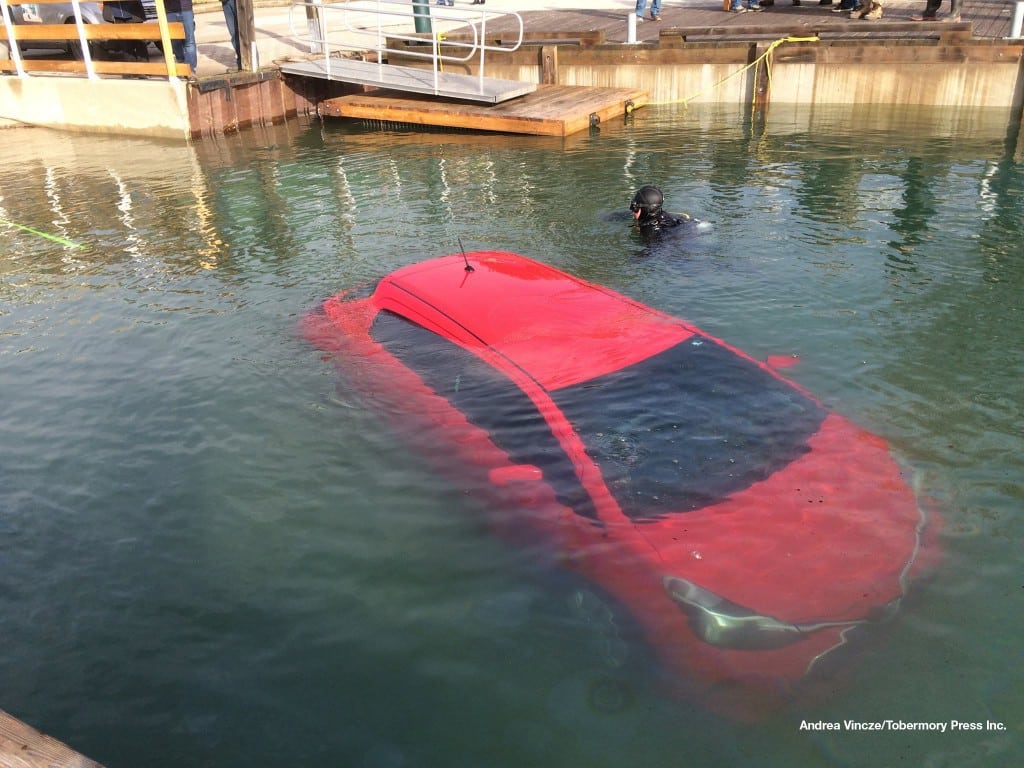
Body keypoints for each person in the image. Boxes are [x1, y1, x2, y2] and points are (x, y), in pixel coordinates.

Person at [629, 186, 705, 238]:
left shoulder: (649, 231)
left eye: (634, 208)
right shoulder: (666, 215)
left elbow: (654, 250)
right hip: (691, 224)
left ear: (645, 211)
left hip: (680, 239)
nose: (632, 211)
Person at [165, 0, 197, 74]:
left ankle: (190, 69)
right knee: (174, 41)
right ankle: (181, 63)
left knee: (189, 41)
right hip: (169, 11)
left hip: (186, 9)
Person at [222, 0, 242, 70]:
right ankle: (241, 63)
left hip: (238, 2)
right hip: (225, 2)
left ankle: (253, 62)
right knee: (234, 34)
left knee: (244, 31)